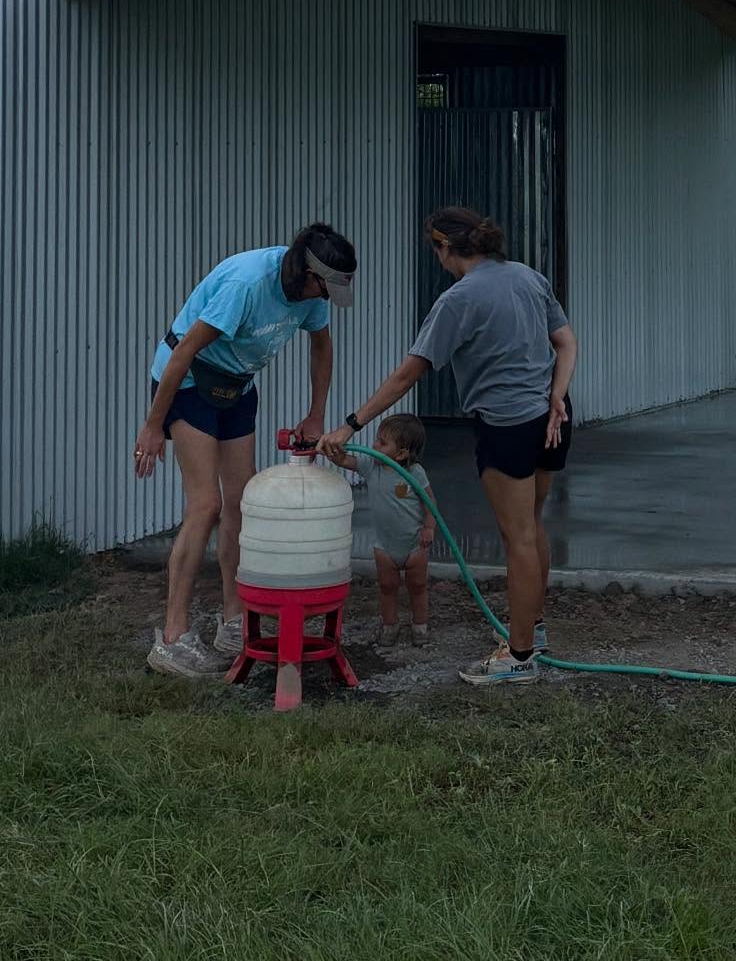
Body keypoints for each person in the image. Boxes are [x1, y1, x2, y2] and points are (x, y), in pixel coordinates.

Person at [319, 207, 576, 688]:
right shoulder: (527, 277)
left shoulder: (458, 299)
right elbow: (566, 342)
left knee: (517, 537)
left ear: (444, 249)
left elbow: (406, 375)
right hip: (554, 417)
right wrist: (558, 393)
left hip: (507, 424)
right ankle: (533, 631)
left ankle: (518, 657)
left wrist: (351, 424)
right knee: (532, 525)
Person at [134, 223, 357, 679]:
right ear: (304, 271)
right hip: (190, 381)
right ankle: (173, 639)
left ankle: (234, 623)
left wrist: (317, 414)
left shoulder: (312, 296)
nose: (325, 298)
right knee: (206, 504)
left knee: (241, 501)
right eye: (324, 287)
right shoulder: (248, 283)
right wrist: (154, 425)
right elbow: (183, 353)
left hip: (236, 386)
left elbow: (321, 347)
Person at [326, 412, 435, 649]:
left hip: (414, 543)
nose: (374, 445)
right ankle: (390, 626)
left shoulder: (415, 473)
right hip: (384, 545)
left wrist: (429, 527)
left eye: (382, 443)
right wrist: (334, 453)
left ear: (402, 453)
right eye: (377, 439)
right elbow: (347, 461)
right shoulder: (371, 466)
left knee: (417, 586)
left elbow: (430, 503)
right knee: (386, 587)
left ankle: (420, 626)